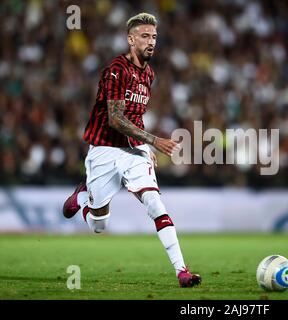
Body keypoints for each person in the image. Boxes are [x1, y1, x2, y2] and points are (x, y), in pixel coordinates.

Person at [62, 13, 201, 288]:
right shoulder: (117, 69)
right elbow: (115, 119)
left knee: (154, 202)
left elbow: (135, 115)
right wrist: (152, 140)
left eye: (154, 37)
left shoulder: (149, 74)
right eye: (145, 36)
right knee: (99, 226)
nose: (151, 42)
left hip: (133, 150)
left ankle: (182, 271)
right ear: (131, 39)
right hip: (103, 149)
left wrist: (143, 147)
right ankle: (83, 198)